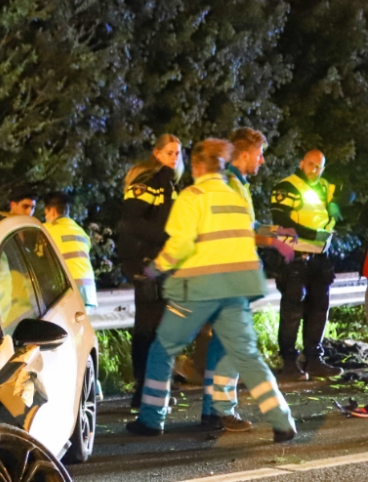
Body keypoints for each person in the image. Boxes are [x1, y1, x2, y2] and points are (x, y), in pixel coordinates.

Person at [125, 138, 297, 442]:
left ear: (196, 166)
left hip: (199, 289)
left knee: (163, 349)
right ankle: (282, 420)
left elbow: (179, 245)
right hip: (236, 290)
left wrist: (152, 270)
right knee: (248, 356)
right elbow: (248, 238)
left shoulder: (191, 196)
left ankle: (151, 419)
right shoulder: (235, 197)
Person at [200, 128, 295, 432]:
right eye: (258, 154)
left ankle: (214, 410)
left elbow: (248, 227)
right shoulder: (229, 185)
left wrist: (279, 234)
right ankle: (218, 410)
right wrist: (279, 240)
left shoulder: (237, 184)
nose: (262, 160)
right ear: (243, 155)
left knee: (225, 344)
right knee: (230, 345)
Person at [118, 134, 183, 408]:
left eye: (178, 153)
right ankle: (146, 390)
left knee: (158, 330)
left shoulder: (170, 183)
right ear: (156, 154)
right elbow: (131, 222)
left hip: (163, 264)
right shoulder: (148, 181)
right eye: (169, 152)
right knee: (149, 331)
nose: (175, 157)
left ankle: (153, 388)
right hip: (149, 265)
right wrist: (167, 237)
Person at [270, 150, 342, 379]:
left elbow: (335, 205)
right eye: (310, 164)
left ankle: (314, 359)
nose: (314, 170)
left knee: (319, 307)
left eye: (319, 166)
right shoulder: (287, 187)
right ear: (301, 163)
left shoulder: (323, 187)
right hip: (295, 256)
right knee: (292, 309)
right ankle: (289, 362)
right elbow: (282, 220)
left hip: (320, 256)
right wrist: (314, 235)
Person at [43, 192, 97, 307]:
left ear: (52, 211)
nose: (46, 218)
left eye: (46, 213)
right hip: (88, 291)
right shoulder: (80, 231)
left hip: (68, 289)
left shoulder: (47, 230)